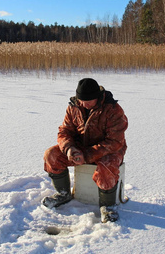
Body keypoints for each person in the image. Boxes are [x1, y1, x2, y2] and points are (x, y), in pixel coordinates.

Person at [42, 78, 128, 223]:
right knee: (51, 155)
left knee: (107, 165)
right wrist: (70, 149)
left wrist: (87, 155)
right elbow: (64, 132)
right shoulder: (73, 107)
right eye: (81, 100)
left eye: (88, 101)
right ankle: (63, 194)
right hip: (80, 147)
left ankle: (108, 206)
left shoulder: (113, 109)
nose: (83, 104)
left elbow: (115, 141)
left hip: (109, 150)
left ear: (97, 97)